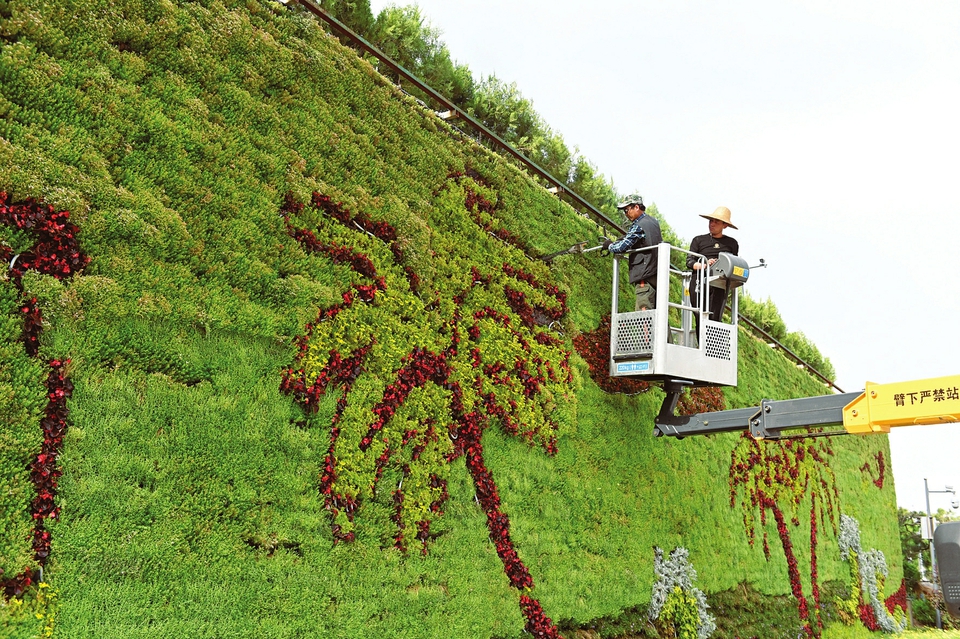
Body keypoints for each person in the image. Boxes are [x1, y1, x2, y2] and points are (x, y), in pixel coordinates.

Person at [602, 194, 663, 310]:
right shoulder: (653, 222)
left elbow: (622, 247)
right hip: (656, 274)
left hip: (645, 275)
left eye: (626, 210)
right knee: (657, 312)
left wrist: (609, 245)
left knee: (644, 313)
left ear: (636, 207)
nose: (625, 214)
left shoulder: (639, 225)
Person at [687, 206, 739, 332]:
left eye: (716, 222)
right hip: (699, 282)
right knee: (700, 316)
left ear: (725, 225)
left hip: (719, 284)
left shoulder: (732, 243)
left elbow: (733, 264)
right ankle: (702, 343)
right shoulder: (698, 240)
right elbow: (689, 262)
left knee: (715, 318)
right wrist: (704, 264)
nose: (712, 224)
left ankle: (712, 344)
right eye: (711, 221)